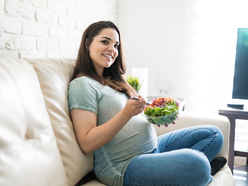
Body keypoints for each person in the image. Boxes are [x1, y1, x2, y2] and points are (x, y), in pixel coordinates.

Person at [68, 21, 227, 186]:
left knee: (213, 134)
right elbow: (87, 143)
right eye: (105, 41)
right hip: (124, 166)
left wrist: (154, 115)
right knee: (198, 164)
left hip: (153, 149)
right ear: (87, 43)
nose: (112, 49)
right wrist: (126, 113)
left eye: (116, 45)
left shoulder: (112, 80)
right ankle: (202, 172)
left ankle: (179, 174)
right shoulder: (82, 84)